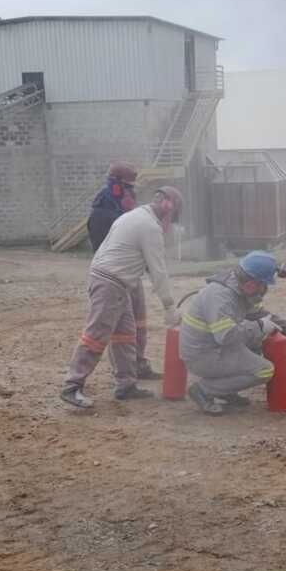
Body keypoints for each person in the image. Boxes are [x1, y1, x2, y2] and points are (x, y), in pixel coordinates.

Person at [61, 186, 184, 409]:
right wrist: (169, 307)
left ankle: (126, 385)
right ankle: (72, 386)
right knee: (96, 334)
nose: (169, 224)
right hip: (110, 283)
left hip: (114, 280)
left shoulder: (133, 215)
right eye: (172, 217)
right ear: (167, 206)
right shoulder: (149, 226)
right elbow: (158, 270)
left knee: (126, 335)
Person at [180, 251, 286, 415]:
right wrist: (259, 327)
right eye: (264, 285)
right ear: (252, 283)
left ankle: (225, 391)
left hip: (213, 348)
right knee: (264, 370)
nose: (264, 290)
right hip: (203, 356)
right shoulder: (221, 297)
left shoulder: (239, 288)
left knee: (255, 342)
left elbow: (262, 315)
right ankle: (204, 390)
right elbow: (226, 336)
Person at [86, 162, 160, 380]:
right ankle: (124, 370)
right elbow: (103, 250)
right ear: (116, 185)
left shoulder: (126, 210)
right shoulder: (101, 213)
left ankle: (139, 363)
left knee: (139, 323)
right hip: (114, 277)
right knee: (120, 329)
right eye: (128, 187)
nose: (131, 191)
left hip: (132, 275)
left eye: (132, 187)